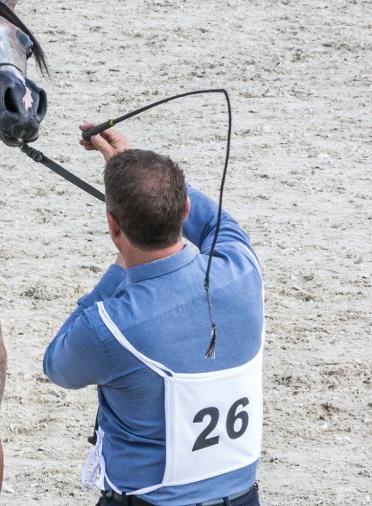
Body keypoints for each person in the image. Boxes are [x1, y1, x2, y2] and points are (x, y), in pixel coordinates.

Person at [43, 126, 264, 506]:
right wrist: (143, 173)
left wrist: (119, 268)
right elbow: (214, 223)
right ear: (185, 210)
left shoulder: (108, 325)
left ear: (113, 227)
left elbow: (57, 364)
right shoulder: (243, 270)